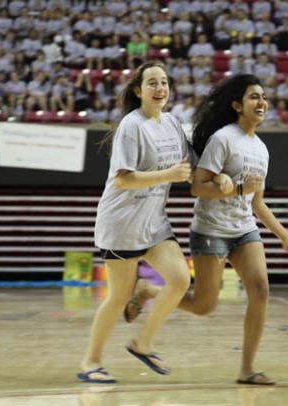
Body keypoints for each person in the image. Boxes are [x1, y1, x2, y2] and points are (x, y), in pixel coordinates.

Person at [124, 74, 288, 385]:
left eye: (263, 97)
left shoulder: (262, 149)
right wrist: (235, 189)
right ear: (237, 105)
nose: (261, 102)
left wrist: (282, 234)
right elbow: (198, 187)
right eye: (253, 97)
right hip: (211, 231)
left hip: (245, 231)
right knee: (204, 306)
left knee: (261, 291)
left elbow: (256, 203)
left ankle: (247, 369)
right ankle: (150, 290)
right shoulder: (223, 139)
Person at [77, 61, 200, 384]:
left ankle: (142, 342)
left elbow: (193, 162)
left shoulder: (173, 123)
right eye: (152, 83)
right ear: (138, 90)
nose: (160, 89)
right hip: (122, 224)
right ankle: (91, 361)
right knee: (117, 297)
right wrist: (169, 175)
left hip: (154, 222)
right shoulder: (132, 126)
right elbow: (123, 180)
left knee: (179, 280)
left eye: (164, 82)